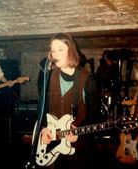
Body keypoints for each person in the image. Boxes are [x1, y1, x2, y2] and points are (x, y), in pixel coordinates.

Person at [37, 33, 99, 169]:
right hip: (54, 144)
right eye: (53, 50)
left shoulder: (87, 80)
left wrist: (79, 131)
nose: (55, 54)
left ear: (70, 50)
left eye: (60, 49)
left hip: (79, 148)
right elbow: (42, 106)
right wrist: (43, 128)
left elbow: (94, 114)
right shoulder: (49, 76)